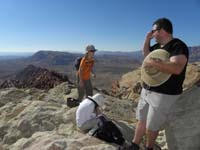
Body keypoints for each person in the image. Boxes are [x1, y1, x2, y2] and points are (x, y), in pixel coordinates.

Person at [125, 18, 189, 150]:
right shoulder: (157, 47)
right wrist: (147, 39)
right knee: (142, 120)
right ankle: (134, 145)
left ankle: (149, 148)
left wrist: (153, 63)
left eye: (153, 31)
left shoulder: (177, 45)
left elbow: (176, 68)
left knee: (152, 125)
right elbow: (146, 55)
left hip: (164, 93)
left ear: (162, 31)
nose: (152, 34)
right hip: (148, 88)